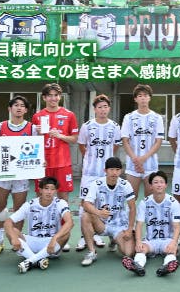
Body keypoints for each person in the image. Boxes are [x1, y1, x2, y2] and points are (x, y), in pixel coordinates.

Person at [0, 95, 36, 256]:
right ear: (10, 108)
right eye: (15, 105)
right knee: (0, 207)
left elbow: (36, 150)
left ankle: (17, 241)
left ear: (26, 110)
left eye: (22, 105)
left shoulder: (31, 128)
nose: (19, 108)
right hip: (2, 174)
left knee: (19, 210)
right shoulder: (1, 126)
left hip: (21, 175)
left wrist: (40, 162)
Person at [76, 94, 122, 251]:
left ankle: (98, 233)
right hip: (89, 172)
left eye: (105, 107)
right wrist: (90, 159)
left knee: (103, 203)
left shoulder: (114, 126)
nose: (103, 110)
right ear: (94, 109)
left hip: (106, 173)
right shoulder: (87, 126)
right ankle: (84, 236)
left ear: (109, 108)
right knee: (85, 203)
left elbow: (115, 146)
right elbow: (82, 146)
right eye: (100, 107)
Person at [31, 83, 78, 236]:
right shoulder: (37, 116)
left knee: (63, 198)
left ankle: (63, 234)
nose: (53, 98)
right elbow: (31, 142)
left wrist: (60, 136)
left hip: (62, 163)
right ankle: (42, 232)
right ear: (44, 98)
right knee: (41, 197)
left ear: (60, 97)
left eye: (56, 95)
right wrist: (36, 133)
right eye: (50, 95)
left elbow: (74, 138)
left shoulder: (69, 115)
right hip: (43, 163)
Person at [4, 176, 73, 273]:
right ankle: (37, 260)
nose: (49, 192)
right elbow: (8, 222)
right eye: (46, 188)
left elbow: (70, 222)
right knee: (12, 231)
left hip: (50, 244)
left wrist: (55, 238)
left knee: (66, 234)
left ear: (56, 191)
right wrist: (14, 238)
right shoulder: (30, 204)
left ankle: (30, 260)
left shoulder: (60, 203)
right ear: (40, 190)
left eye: (52, 189)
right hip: (31, 242)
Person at [80, 157, 137, 269]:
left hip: (120, 225)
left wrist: (130, 229)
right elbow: (86, 204)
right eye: (111, 169)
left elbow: (132, 208)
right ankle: (92, 252)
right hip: (101, 224)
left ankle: (114, 240)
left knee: (129, 253)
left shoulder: (125, 184)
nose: (114, 173)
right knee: (85, 216)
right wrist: (98, 212)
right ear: (105, 170)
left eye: (117, 170)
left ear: (120, 171)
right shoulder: (96, 184)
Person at [130, 171, 180, 277]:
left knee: (172, 250)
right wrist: (138, 242)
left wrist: (174, 242)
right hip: (150, 241)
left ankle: (167, 267)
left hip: (167, 240)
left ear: (166, 185)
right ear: (151, 186)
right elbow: (139, 225)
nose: (159, 185)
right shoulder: (144, 203)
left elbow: (177, 227)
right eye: (156, 182)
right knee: (141, 249)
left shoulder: (173, 202)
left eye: (161, 182)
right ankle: (138, 266)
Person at [122, 84, 165, 199]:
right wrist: (136, 160)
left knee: (150, 199)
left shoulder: (157, 118)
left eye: (145, 95)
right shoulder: (128, 117)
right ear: (135, 99)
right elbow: (125, 141)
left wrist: (143, 158)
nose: (143, 98)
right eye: (140, 96)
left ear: (150, 98)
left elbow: (158, 142)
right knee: (131, 198)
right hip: (133, 165)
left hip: (150, 165)